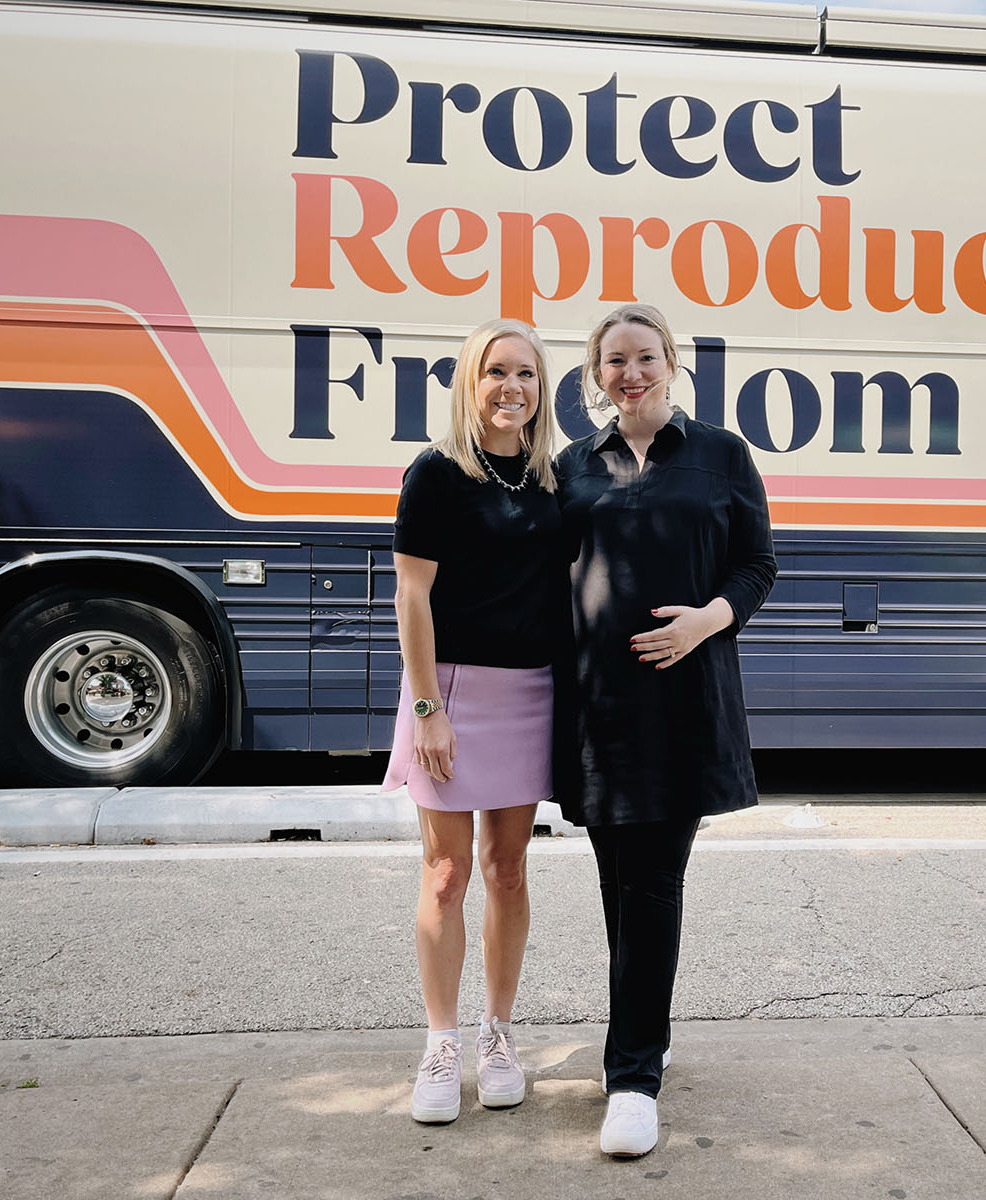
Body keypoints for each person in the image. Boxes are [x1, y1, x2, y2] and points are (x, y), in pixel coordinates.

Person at [553, 303, 779, 1157]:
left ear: (672, 363)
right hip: (597, 710)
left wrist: (704, 622)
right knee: (619, 888)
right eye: (614, 360)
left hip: (684, 705)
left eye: (645, 357)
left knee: (651, 884)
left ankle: (633, 1077)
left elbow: (758, 563)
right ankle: (647, 1027)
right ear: (596, 374)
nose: (630, 372)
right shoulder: (574, 466)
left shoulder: (722, 455)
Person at [384, 318, 560, 1124]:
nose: (511, 387)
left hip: (529, 691)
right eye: (496, 372)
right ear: (470, 381)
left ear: (541, 387)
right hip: (448, 694)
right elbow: (412, 596)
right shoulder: (436, 474)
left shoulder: (556, 478)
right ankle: (441, 1043)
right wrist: (428, 709)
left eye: (525, 373)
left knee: (508, 871)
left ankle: (498, 1035)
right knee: (446, 875)